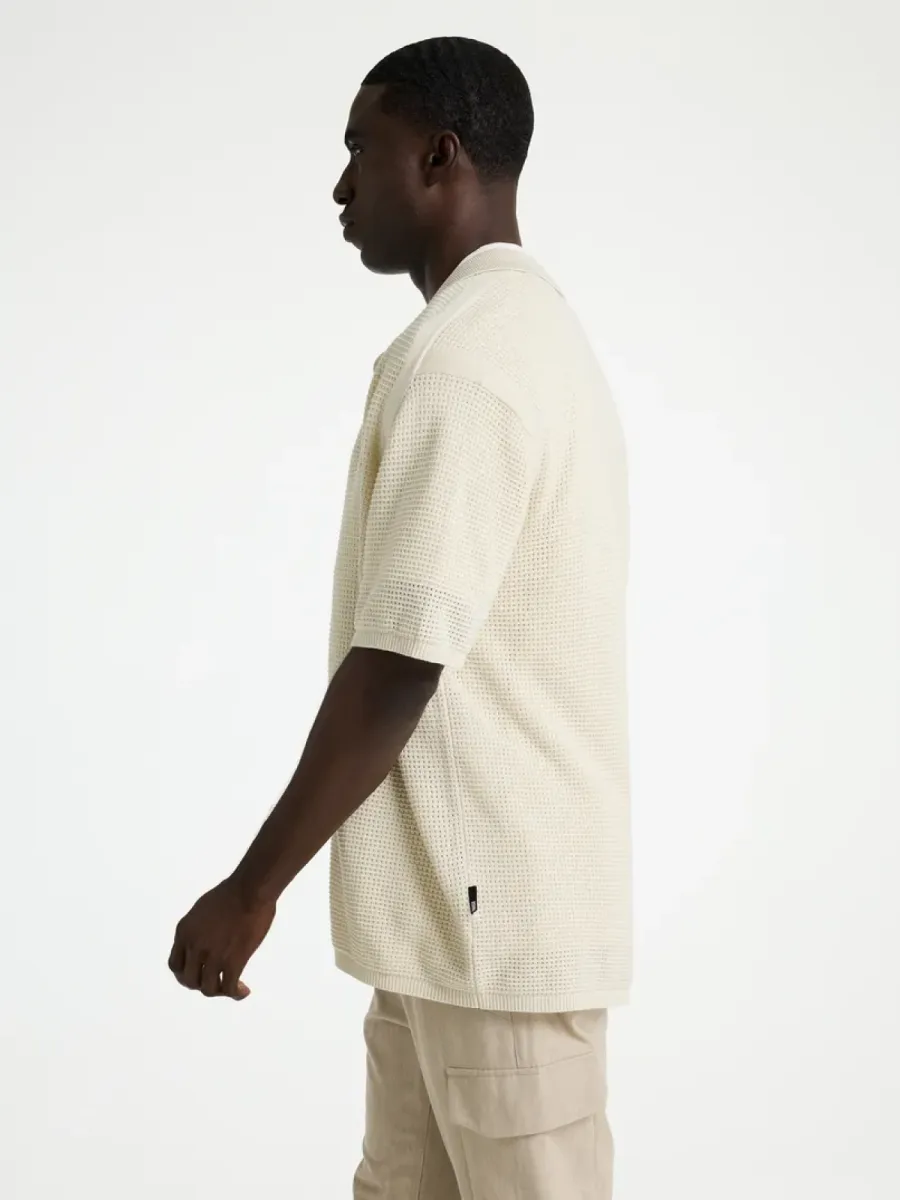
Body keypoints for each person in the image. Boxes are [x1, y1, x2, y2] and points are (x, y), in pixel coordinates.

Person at [168, 35, 632, 1199]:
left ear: (438, 156)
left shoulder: (471, 361)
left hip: (495, 935)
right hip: (447, 927)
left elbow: (400, 663)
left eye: (358, 150)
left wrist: (251, 888)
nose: (339, 186)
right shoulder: (502, 334)